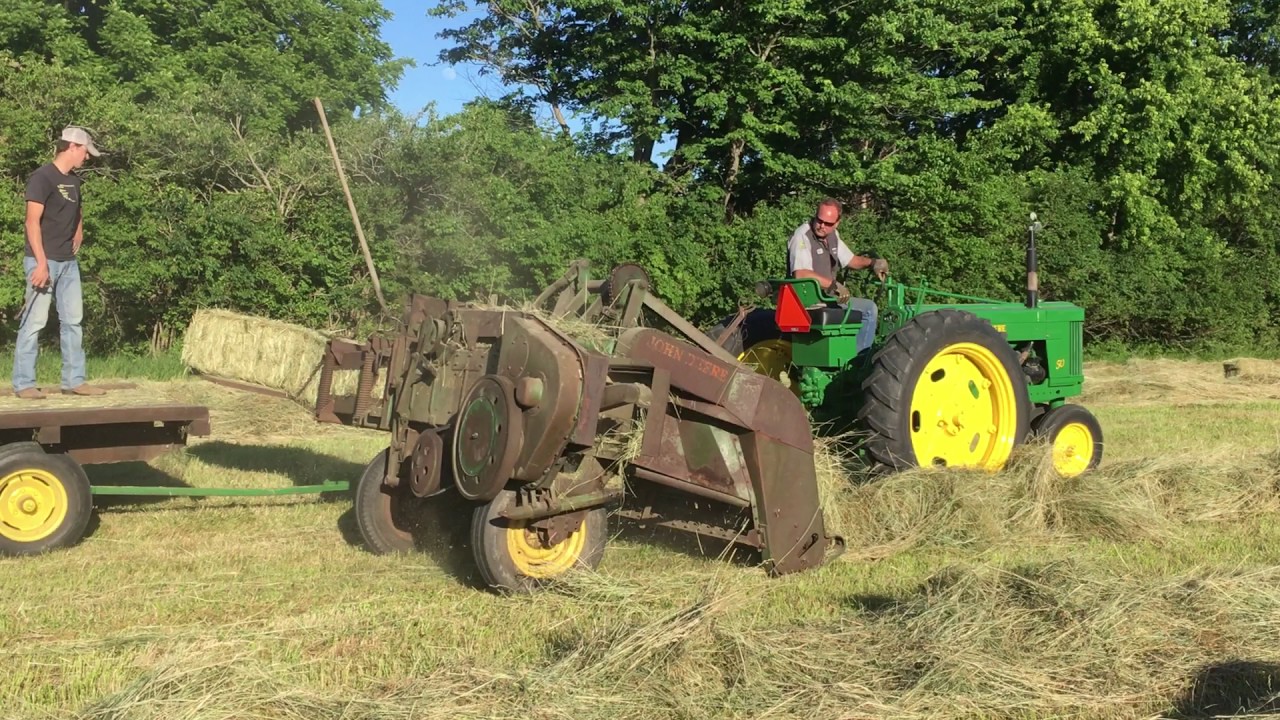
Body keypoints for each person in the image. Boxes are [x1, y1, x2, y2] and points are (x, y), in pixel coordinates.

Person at [13, 126, 106, 399]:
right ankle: (24, 383)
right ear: (72, 147)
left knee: (74, 322)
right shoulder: (42, 178)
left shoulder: (74, 181)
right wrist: (41, 264)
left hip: (68, 262)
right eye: (85, 152)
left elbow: (77, 210)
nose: (87, 157)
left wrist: (79, 230)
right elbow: (31, 222)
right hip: (43, 260)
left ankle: (74, 381)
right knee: (34, 322)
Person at [787, 198, 889, 354]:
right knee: (869, 309)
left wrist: (873, 263)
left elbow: (851, 260)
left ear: (837, 223)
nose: (822, 226)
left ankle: (849, 353)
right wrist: (833, 285)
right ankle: (858, 359)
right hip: (808, 301)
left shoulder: (832, 235)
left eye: (828, 223)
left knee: (861, 306)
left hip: (826, 298)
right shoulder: (802, 236)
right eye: (819, 220)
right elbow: (801, 274)